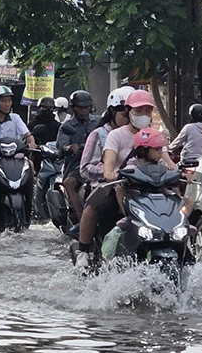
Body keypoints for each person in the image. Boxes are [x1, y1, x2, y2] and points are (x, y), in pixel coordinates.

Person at [75, 127, 172, 272]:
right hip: (112, 188)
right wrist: (109, 173)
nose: (160, 151)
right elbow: (90, 169)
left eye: (147, 110)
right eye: (156, 148)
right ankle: (84, 251)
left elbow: (171, 169)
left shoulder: (160, 161)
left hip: (152, 200)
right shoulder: (110, 137)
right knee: (97, 205)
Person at [102, 89, 174, 182]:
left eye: (148, 111)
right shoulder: (115, 135)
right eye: (138, 111)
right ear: (128, 111)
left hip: (154, 185)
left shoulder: (155, 136)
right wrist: (109, 174)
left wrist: (182, 173)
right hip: (126, 185)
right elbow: (109, 162)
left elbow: (168, 162)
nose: (143, 115)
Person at [80, 87, 130, 189]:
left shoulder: (142, 135)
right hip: (106, 188)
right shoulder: (99, 134)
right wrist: (109, 171)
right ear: (112, 112)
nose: (128, 119)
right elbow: (85, 169)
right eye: (124, 115)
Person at [57, 90, 97, 215]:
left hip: (97, 164)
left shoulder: (98, 122)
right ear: (73, 108)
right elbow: (61, 145)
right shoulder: (67, 126)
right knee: (68, 183)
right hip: (77, 167)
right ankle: (81, 219)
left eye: (86, 107)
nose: (83, 111)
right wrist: (69, 148)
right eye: (80, 108)